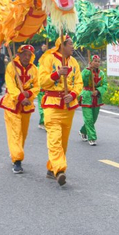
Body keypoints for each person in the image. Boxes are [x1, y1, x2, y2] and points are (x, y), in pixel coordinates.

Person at [38, 34, 82, 186]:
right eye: (70, 44)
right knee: (55, 139)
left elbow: (79, 82)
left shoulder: (74, 62)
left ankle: (52, 168)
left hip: (68, 107)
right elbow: (42, 82)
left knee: (63, 142)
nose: (73, 47)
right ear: (62, 45)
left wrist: (73, 94)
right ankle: (60, 170)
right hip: (52, 105)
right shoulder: (48, 58)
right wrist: (57, 74)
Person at [0, 45, 38, 174]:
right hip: (12, 104)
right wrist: (21, 97)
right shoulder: (12, 66)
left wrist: (29, 94)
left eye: (29, 55)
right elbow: (10, 85)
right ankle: (17, 160)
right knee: (15, 132)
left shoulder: (34, 69)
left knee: (23, 133)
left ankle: (15, 153)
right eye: (24, 54)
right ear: (19, 55)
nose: (27, 57)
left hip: (27, 105)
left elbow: (37, 86)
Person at [79, 54, 107, 146]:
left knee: (94, 118)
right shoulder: (85, 71)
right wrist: (88, 71)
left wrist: (98, 91)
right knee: (89, 119)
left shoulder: (101, 74)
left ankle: (83, 131)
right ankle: (92, 137)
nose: (97, 63)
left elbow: (104, 85)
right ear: (90, 62)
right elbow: (81, 81)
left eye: (98, 62)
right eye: (95, 61)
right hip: (87, 97)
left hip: (96, 98)